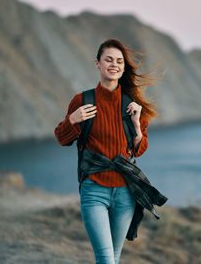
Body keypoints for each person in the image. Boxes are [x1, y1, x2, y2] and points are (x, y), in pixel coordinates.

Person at [54, 38, 164, 264]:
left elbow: (139, 150)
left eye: (119, 61)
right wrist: (73, 120)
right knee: (105, 258)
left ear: (123, 67)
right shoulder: (82, 100)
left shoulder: (131, 104)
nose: (114, 65)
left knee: (113, 257)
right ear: (97, 63)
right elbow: (62, 138)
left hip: (125, 192)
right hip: (93, 189)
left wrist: (135, 125)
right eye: (109, 60)